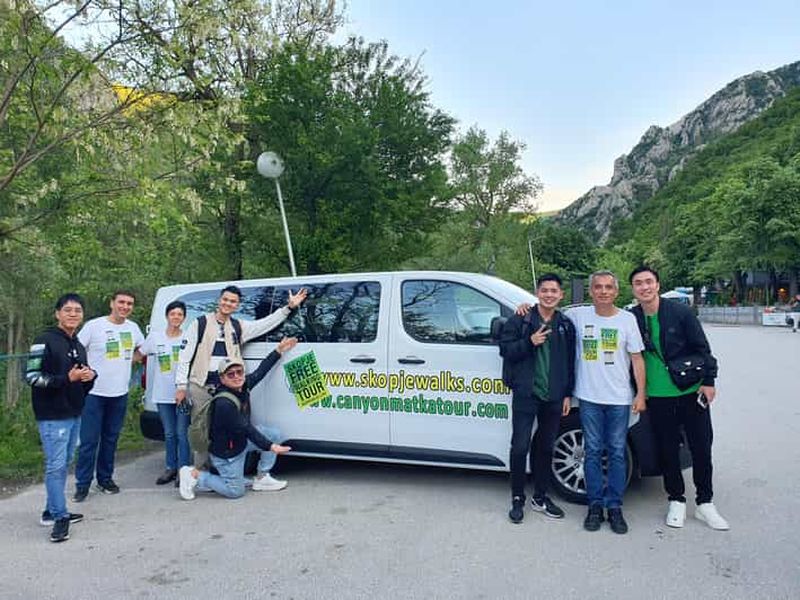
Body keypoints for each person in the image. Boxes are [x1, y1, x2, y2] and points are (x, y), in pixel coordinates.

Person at [629, 266, 728, 530]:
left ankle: (705, 503)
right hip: (657, 397)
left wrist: (709, 381)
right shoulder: (631, 318)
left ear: (658, 285)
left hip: (690, 392)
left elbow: (702, 348)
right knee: (667, 449)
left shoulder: (680, 313)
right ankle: (677, 500)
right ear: (633, 289)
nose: (644, 287)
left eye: (649, 282)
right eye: (638, 283)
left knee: (701, 446)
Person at [175, 285, 307, 468]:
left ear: (237, 305)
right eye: (226, 299)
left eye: (233, 301)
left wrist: (288, 308)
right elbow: (184, 356)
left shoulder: (238, 326)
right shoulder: (200, 324)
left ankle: (221, 470)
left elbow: (265, 324)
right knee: (202, 431)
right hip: (202, 386)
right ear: (219, 300)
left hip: (229, 388)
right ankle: (197, 473)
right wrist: (181, 386)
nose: (228, 303)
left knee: (232, 428)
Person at [568, 270, 646, 534]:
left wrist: (641, 394)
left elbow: (637, 359)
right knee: (591, 452)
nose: (603, 291)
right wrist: (525, 306)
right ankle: (594, 506)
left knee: (615, 452)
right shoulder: (577, 316)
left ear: (616, 291)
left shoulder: (627, 320)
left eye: (608, 287)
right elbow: (547, 309)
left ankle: (614, 507)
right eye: (598, 287)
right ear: (591, 291)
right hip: (588, 398)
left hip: (619, 399)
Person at [179, 337, 298, 500]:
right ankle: (194, 475)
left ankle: (262, 478)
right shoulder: (223, 403)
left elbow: (260, 372)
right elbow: (245, 428)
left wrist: (278, 350)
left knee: (274, 433)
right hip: (227, 453)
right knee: (235, 491)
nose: (236, 376)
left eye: (239, 372)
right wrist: (270, 447)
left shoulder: (243, 385)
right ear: (222, 378)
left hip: (239, 443)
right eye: (231, 374)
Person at [499, 273, 576, 524]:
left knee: (545, 447)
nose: (549, 295)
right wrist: (529, 342)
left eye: (554, 291)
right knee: (520, 446)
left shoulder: (565, 324)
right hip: (526, 393)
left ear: (561, 295)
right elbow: (506, 351)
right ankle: (517, 498)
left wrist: (567, 393)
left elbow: (570, 362)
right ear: (537, 292)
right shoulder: (521, 319)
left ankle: (540, 497)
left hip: (554, 396)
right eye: (545, 290)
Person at [25, 293, 96, 542]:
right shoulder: (43, 340)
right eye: (68, 310)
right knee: (56, 467)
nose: (73, 314)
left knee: (63, 464)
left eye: (78, 310)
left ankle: (49, 511)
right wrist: (68, 379)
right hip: (52, 415)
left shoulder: (77, 344)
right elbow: (32, 377)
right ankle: (59, 517)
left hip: (74, 412)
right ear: (57, 313)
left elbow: (80, 381)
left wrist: (89, 377)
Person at [74, 290, 144, 502]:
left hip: (119, 393)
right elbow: (76, 349)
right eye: (121, 302)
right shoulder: (94, 326)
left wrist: (130, 360)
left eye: (129, 304)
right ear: (111, 303)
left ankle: (105, 479)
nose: (125, 307)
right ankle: (82, 484)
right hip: (93, 394)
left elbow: (143, 350)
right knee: (88, 441)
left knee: (111, 439)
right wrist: (82, 371)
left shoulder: (133, 328)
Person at [139, 300, 190, 485]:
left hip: (183, 394)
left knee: (182, 433)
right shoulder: (155, 337)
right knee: (169, 433)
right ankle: (171, 468)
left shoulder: (188, 338)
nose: (176, 317)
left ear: (184, 318)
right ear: (167, 316)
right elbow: (139, 354)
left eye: (180, 314)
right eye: (173, 314)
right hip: (162, 393)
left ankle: (184, 471)